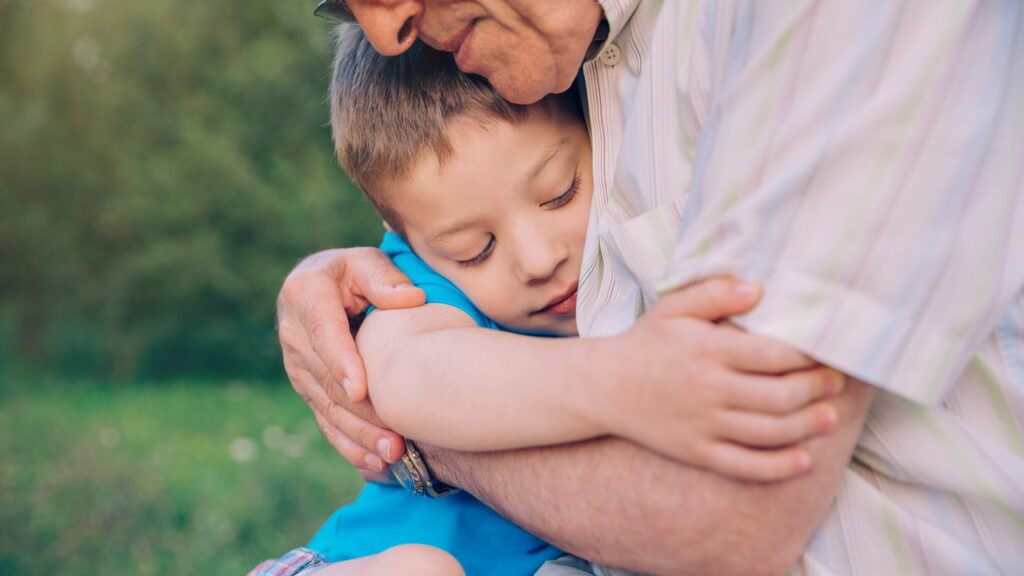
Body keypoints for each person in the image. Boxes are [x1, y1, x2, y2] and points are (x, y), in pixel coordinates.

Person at [279, 1, 1024, 574]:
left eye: (563, 194)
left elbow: (729, 514)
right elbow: (408, 367)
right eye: (473, 249)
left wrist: (425, 446)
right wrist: (626, 379)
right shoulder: (560, 59)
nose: (537, 258)